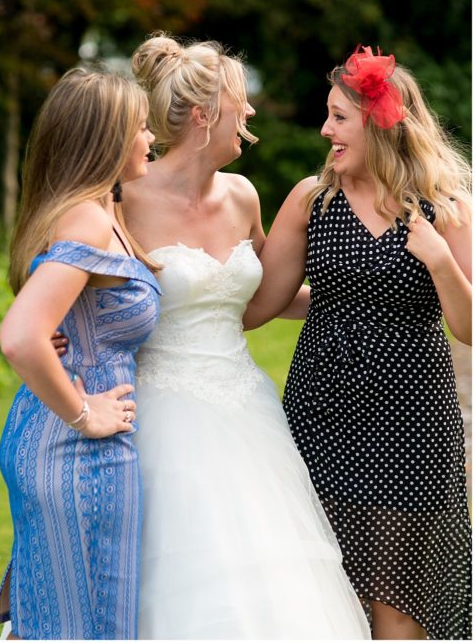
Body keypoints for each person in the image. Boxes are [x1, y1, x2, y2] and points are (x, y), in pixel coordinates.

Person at [122, 34, 370, 637]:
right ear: (205, 116)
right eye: (241, 101)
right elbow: (71, 279)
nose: (251, 113)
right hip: (160, 412)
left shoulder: (243, 195)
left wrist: (362, 303)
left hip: (246, 407)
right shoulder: (122, 196)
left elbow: (264, 299)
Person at [244, 46, 472, 639]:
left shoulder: (444, 207)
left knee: (398, 601)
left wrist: (443, 263)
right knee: (326, 586)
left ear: (380, 123)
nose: (325, 130)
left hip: (412, 422)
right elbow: (258, 305)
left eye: (339, 117)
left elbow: (469, 326)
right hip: (322, 414)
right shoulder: (311, 200)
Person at [0, 68, 159, 640]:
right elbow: (19, 335)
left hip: (54, 437)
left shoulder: (91, 210)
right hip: (79, 449)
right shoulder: (87, 219)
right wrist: (87, 415)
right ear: (106, 138)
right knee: (88, 624)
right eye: (139, 128)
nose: (150, 138)